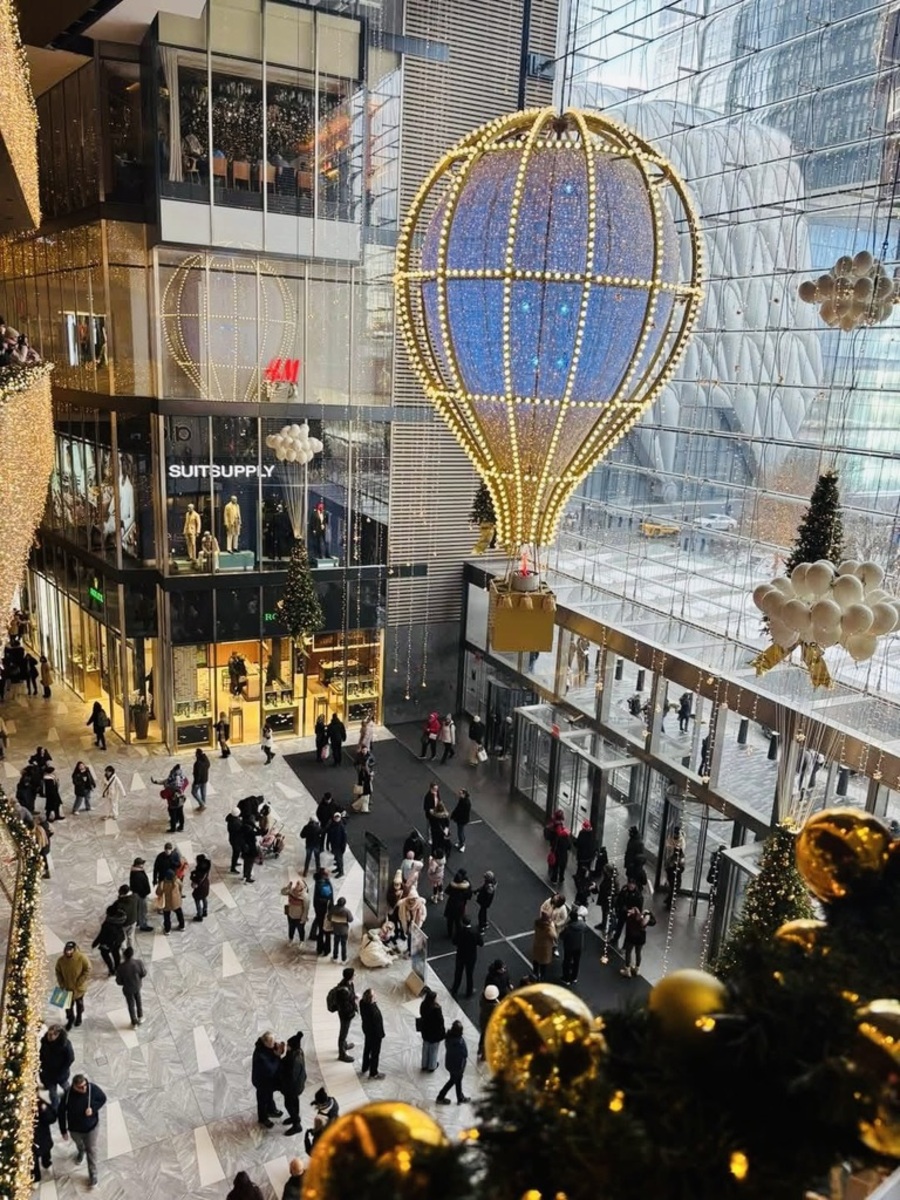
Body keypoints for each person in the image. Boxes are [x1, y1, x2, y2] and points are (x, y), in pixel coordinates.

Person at [59, 1074, 107, 1187]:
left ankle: (93, 1174)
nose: (84, 1088)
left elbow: (102, 1099)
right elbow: (61, 1113)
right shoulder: (67, 1096)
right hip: (75, 1129)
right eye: (80, 1087)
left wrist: (93, 1109)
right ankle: (81, 1151)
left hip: (91, 1128)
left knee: (91, 1150)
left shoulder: (92, 1089)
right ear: (74, 1086)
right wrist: (63, 1130)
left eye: (85, 1085)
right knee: (79, 1144)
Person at [56, 941, 91, 1029]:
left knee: (79, 1004)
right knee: (68, 1006)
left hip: (78, 988)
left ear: (74, 950)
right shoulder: (61, 960)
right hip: (67, 987)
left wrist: (80, 981)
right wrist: (62, 983)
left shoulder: (82, 958)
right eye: (67, 950)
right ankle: (70, 1019)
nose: (68, 952)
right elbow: (58, 972)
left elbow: (87, 969)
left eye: (70, 950)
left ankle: (79, 1017)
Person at [252, 1032, 284, 1128]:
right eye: (272, 1042)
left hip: (268, 1082)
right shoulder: (260, 1056)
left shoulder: (267, 1046)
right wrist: (278, 1056)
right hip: (262, 1083)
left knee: (269, 1096)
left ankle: (271, 1110)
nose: (275, 1044)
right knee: (262, 1101)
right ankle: (263, 1118)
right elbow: (271, 1069)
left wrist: (279, 1050)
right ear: (265, 1043)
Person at [40, 1025, 74, 1108]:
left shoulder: (65, 1045)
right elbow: (42, 1052)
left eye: (53, 1035)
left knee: (66, 1087)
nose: (50, 1037)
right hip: (48, 1073)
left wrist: (62, 1071)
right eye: (49, 1034)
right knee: (53, 1093)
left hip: (61, 1074)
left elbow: (70, 1059)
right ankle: (55, 1108)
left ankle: (72, 1098)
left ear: (59, 1035)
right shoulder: (45, 1041)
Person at [279, 1031, 307, 1136]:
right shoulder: (299, 1052)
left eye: (288, 1045)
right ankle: (294, 1117)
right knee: (295, 1102)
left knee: (288, 1104)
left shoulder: (292, 1059)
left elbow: (288, 1074)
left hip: (292, 1088)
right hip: (298, 1085)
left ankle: (297, 1124)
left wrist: (279, 1057)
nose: (287, 1047)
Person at [436, 1020, 470, 1104]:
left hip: (450, 1064)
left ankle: (460, 1097)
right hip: (457, 1067)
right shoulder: (458, 1043)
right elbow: (464, 1055)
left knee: (457, 1080)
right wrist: (461, 1068)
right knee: (453, 1081)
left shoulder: (449, 1038)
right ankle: (440, 1097)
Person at [450, 915, 483, 998]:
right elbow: (481, 943)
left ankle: (455, 989)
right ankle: (469, 991)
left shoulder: (460, 931)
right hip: (471, 956)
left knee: (458, 973)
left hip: (460, 955)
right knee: (469, 974)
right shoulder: (475, 932)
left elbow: (454, 942)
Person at [115, 945, 147, 1026]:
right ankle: (140, 1016)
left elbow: (118, 981)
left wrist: (125, 982)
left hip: (128, 989)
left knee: (131, 1005)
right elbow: (144, 973)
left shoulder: (121, 967)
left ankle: (134, 1022)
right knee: (138, 1000)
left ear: (124, 955)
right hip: (137, 985)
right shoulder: (138, 962)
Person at [359, 988, 386, 1079]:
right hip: (375, 1035)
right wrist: (381, 1035)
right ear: (371, 998)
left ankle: (365, 1066)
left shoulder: (362, 1003)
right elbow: (377, 1025)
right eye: (374, 995)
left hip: (367, 1031)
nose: (376, 995)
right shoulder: (373, 1011)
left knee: (367, 1049)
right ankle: (373, 1072)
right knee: (375, 1053)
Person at [418, 987, 446, 1072]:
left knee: (425, 1048)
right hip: (435, 1033)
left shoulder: (423, 1005)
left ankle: (424, 1064)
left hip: (425, 1031)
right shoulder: (437, 1010)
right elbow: (440, 1022)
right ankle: (432, 1066)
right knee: (433, 1050)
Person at [333, 966, 358, 1062]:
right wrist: (352, 1007)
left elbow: (350, 997)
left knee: (345, 1032)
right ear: (350, 976)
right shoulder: (343, 990)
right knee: (343, 1034)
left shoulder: (349, 983)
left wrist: (353, 997)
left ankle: (344, 1045)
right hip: (345, 1015)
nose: (355, 975)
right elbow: (345, 1006)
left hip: (348, 1013)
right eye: (354, 974)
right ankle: (342, 1054)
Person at [621, 905, 654, 978]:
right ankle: (637, 969)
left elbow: (624, 915)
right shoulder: (644, 919)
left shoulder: (631, 917)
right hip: (641, 938)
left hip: (631, 937)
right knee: (638, 953)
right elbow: (653, 922)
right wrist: (649, 914)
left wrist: (628, 912)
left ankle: (627, 970)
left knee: (628, 952)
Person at [32, 1092, 57, 1183]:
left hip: (42, 1135)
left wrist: (45, 1110)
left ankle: (46, 1163)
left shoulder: (41, 1104)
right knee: (32, 1160)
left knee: (46, 1151)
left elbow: (52, 1119)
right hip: (30, 1140)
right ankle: (36, 1178)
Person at [560, 906, 588, 986]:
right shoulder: (582, 925)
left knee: (567, 962)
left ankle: (566, 978)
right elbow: (585, 929)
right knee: (576, 962)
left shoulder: (569, 928)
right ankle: (574, 977)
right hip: (579, 947)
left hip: (569, 947)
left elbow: (562, 936)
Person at [611, 878, 642, 947]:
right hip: (623, 912)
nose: (630, 886)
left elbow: (639, 907)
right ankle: (615, 939)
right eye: (629, 884)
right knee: (619, 927)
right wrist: (618, 907)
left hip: (631, 915)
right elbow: (619, 898)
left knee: (628, 931)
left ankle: (625, 946)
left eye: (632, 885)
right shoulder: (625, 890)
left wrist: (633, 911)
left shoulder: (638, 895)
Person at [310, 868, 334, 955]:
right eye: (328, 872)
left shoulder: (319, 881)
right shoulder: (323, 884)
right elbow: (329, 897)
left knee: (320, 929)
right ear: (324, 875)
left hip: (319, 909)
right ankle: (327, 949)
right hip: (324, 910)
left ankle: (319, 948)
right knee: (326, 930)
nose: (329, 873)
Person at [444, 868, 472, 942]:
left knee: (450, 921)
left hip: (451, 904)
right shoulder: (465, 887)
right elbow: (469, 895)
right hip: (460, 906)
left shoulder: (452, 886)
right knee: (458, 921)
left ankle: (450, 934)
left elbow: (447, 891)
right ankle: (458, 934)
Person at [531, 911, 557, 981]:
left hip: (537, 945)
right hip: (545, 949)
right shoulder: (548, 929)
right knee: (543, 965)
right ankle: (542, 978)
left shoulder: (537, 923)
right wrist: (552, 926)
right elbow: (554, 936)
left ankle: (534, 975)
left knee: (536, 961)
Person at [156, 869, 185, 933]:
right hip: (176, 902)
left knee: (167, 916)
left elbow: (158, 892)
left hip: (167, 903)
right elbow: (181, 886)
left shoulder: (163, 883)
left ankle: (167, 930)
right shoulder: (177, 881)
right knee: (179, 913)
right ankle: (182, 926)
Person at [129, 857, 153, 931]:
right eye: (142, 864)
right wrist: (144, 894)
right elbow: (139, 887)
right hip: (140, 895)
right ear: (138, 865)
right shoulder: (137, 874)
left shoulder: (135, 871)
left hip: (137, 894)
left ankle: (138, 921)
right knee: (143, 910)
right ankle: (143, 925)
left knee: (138, 909)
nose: (143, 865)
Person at [281, 877, 309, 942]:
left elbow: (306, 909)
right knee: (291, 928)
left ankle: (301, 941)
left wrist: (303, 919)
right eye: (296, 884)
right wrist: (288, 887)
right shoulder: (291, 891)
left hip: (299, 917)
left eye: (298, 884)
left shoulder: (305, 897)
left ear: (302, 887)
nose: (296, 885)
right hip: (290, 915)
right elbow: (283, 892)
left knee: (300, 930)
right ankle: (291, 939)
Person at [113, 882, 139, 950]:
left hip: (124, 924)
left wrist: (120, 898)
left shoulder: (120, 903)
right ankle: (131, 950)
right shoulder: (135, 897)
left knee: (123, 938)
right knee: (131, 936)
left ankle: (125, 952)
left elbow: (116, 911)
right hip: (133, 921)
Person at [478, 984, 500, 1059]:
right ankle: (484, 1055)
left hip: (482, 1021)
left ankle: (480, 1049)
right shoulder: (495, 1006)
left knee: (482, 1036)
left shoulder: (482, 1000)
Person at [326, 812, 348, 877]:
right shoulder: (332, 825)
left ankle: (341, 871)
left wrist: (343, 847)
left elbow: (344, 838)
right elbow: (329, 834)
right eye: (336, 817)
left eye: (338, 817)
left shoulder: (341, 827)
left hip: (339, 846)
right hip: (334, 845)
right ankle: (338, 868)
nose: (337, 818)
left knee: (339, 859)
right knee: (337, 858)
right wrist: (328, 843)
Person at [190, 854, 211, 921]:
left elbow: (195, 881)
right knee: (204, 898)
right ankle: (205, 911)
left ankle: (199, 915)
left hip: (199, 888)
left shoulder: (199, 872)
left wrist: (192, 876)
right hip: (205, 885)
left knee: (197, 901)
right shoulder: (206, 867)